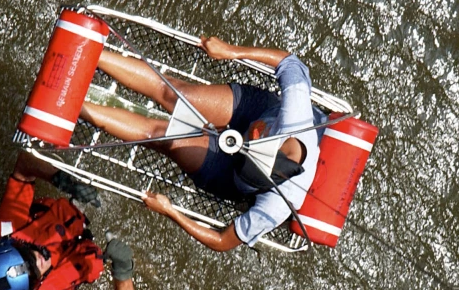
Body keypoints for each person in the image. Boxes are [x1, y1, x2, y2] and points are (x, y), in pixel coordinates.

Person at [80, 36, 322, 251]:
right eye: (251, 140)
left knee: (161, 135)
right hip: (258, 111)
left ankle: (76, 106)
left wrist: (171, 211)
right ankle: (87, 48)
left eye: (244, 150)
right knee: (175, 94)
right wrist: (231, 51)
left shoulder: (276, 205)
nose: (239, 143)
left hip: (228, 174)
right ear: (267, 137)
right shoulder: (296, 114)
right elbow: (290, 62)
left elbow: (222, 242)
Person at [0, 152, 137, 290]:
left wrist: (65, 182)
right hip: (88, 253)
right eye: (34, 275)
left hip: (69, 216)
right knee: (139, 264)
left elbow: (24, 162)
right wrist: (123, 271)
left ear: (13, 245)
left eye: (27, 255)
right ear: (33, 289)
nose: (39, 260)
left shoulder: (11, 226)